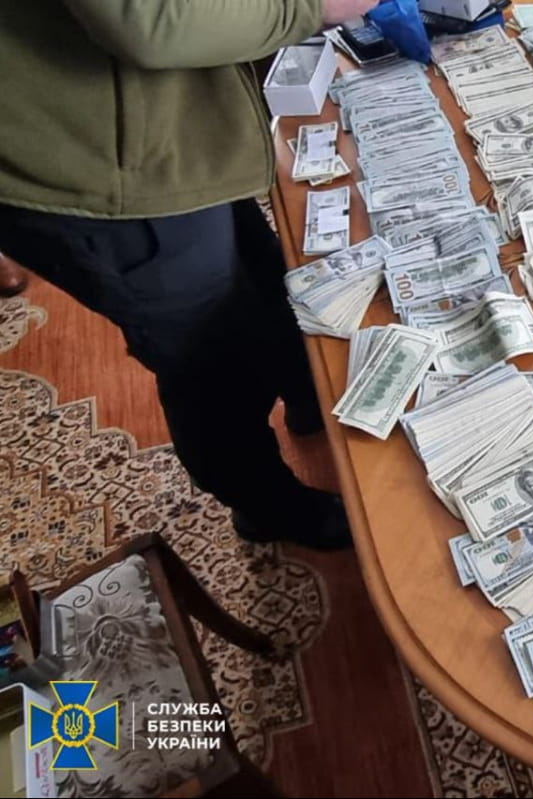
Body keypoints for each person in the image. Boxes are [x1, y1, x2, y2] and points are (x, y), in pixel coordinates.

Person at [0, 0, 382, 550]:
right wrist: (311, 6)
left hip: (164, 127)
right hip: (102, 163)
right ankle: (269, 507)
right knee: (209, 360)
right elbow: (151, 23)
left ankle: (306, 395)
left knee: (265, 279)